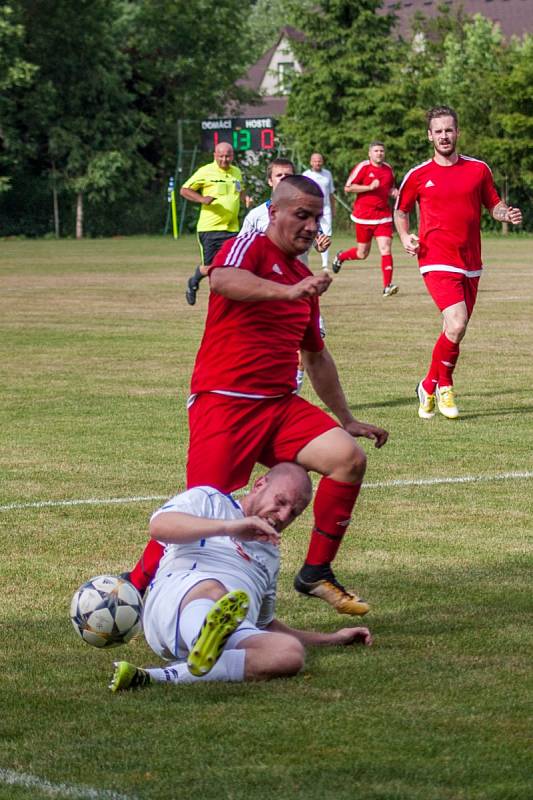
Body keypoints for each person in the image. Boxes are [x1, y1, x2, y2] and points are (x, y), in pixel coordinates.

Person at [125, 175, 389, 618]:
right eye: (300, 215)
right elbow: (225, 281)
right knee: (203, 505)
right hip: (225, 401)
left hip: (279, 406)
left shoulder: (303, 277)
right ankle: (133, 590)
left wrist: (345, 418)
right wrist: (287, 292)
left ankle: (316, 570)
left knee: (348, 459)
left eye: (316, 218)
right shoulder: (249, 247)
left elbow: (315, 355)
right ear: (274, 212)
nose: (309, 226)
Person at [109, 464, 372, 691]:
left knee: (289, 654)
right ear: (259, 485)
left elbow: (265, 624)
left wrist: (334, 638)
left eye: (293, 513)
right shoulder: (210, 501)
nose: (282, 516)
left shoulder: (271, 556)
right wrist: (232, 527)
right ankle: (203, 635)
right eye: (280, 502)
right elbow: (159, 526)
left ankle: (162, 676)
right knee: (213, 589)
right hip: (172, 604)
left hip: (231, 622)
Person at [394, 105, 523, 419]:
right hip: (435, 258)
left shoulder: (478, 169)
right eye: (438, 131)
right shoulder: (418, 175)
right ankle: (445, 386)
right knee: (457, 322)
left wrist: (505, 213)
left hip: (471, 261)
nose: (444, 136)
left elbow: (493, 204)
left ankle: (426, 384)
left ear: (457, 132)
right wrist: (405, 236)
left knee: (454, 330)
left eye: (449, 130)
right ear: (429, 136)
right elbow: (401, 211)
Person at [181, 142, 248, 306]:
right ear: (215, 156)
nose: (225, 160)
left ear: (232, 156)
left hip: (232, 228)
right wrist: (202, 199)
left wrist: (245, 198)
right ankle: (193, 281)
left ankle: (230, 300)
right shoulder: (205, 171)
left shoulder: (237, 172)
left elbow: (240, 190)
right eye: (221, 156)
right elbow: (184, 190)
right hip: (210, 229)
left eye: (228, 156)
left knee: (234, 264)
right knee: (210, 267)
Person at [333, 142, 399, 298]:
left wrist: (394, 192)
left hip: (383, 216)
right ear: (370, 153)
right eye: (376, 151)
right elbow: (348, 187)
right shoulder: (363, 167)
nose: (379, 153)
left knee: (386, 249)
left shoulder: (388, 169)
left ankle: (387, 286)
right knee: (362, 254)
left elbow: (389, 188)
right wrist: (369, 188)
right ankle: (340, 257)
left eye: (382, 151)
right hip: (363, 217)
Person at [303, 153, 336, 270]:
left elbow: (331, 193)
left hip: (325, 209)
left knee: (325, 235)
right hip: (310, 210)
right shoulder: (306, 175)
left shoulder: (327, 174)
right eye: (315, 161)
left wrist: (333, 208)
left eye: (319, 161)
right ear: (311, 162)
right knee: (308, 235)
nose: (317, 163)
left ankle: (325, 264)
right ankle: (303, 261)